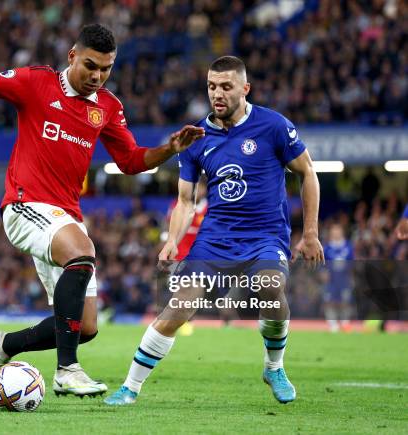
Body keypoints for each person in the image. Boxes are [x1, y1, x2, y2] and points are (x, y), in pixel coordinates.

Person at [0, 24, 204, 398]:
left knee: (85, 326)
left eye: (106, 69)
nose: (97, 76)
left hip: (65, 217)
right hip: (25, 205)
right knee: (83, 252)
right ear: (72, 56)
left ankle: (4, 345)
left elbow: (130, 160)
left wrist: (169, 148)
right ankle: (66, 370)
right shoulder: (36, 83)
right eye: (91, 66)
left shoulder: (108, 107)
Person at [105, 55, 324, 406]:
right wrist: (172, 241)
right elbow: (186, 201)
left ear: (245, 88)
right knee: (178, 307)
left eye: (226, 86)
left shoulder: (274, 126)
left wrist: (310, 233)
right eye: (211, 86)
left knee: (271, 289)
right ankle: (130, 387)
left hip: (265, 236)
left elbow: (308, 173)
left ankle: (274, 367)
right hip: (215, 240)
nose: (217, 94)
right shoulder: (196, 138)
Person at [321, 223, 355, 332]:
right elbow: (322, 262)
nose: (336, 233)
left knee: (345, 301)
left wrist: (351, 274)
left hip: (344, 278)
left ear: (342, 232)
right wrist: (323, 272)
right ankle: (333, 324)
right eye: (334, 231)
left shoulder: (348, 246)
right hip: (331, 279)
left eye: (338, 230)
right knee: (329, 301)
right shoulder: (326, 247)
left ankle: (345, 323)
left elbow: (352, 262)